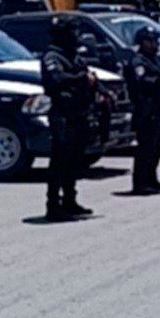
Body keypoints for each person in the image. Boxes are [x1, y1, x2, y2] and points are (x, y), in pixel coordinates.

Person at [40, 16, 98, 219]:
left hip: (78, 113)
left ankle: (70, 201)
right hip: (62, 115)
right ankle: (53, 205)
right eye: (73, 32)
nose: (77, 36)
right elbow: (56, 79)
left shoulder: (73, 56)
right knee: (59, 161)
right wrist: (80, 78)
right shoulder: (52, 56)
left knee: (74, 161)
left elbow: (87, 76)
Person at [123, 25, 160, 194]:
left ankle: (151, 179)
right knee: (145, 147)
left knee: (157, 146)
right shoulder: (137, 61)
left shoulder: (153, 60)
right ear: (142, 42)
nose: (155, 44)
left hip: (158, 108)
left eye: (155, 41)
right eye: (151, 41)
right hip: (145, 110)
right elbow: (142, 81)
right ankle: (140, 183)